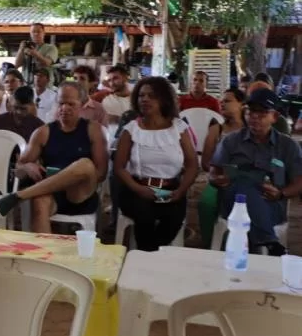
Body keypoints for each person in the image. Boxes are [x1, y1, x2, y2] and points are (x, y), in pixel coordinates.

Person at [0, 82, 108, 234]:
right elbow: (19, 169)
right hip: (53, 194)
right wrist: (27, 166)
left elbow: (101, 173)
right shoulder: (43, 132)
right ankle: (42, 254)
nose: (65, 108)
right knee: (39, 202)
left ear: (81, 105)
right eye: (61, 103)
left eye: (71, 104)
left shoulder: (93, 130)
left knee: (85, 165)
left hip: (80, 192)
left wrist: (68, 178)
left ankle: (20, 196)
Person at [210, 88, 302, 253]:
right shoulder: (231, 141)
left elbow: (299, 182)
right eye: (250, 112)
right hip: (233, 206)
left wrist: (280, 194)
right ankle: (268, 240)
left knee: (247, 183)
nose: (254, 117)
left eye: (261, 113)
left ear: (274, 117)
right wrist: (216, 179)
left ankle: (263, 241)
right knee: (243, 184)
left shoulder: (287, 146)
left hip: (271, 206)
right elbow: (213, 172)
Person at [113, 77, 198, 251]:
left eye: (151, 96)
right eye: (141, 96)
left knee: (174, 218)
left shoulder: (179, 128)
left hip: (170, 189)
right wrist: (139, 189)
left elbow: (192, 165)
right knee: (144, 215)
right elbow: (119, 167)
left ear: (164, 99)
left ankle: (146, 255)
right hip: (136, 189)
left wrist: (180, 190)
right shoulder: (131, 129)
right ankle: (150, 257)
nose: (145, 99)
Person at [198, 88, 246, 247]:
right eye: (221, 101)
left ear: (241, 104)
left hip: (246, 179)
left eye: (228, 100)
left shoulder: (251, 130)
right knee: (206, 202)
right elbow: (205, 162)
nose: (222, 104)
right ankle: (209, 244)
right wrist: (218, 172)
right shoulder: (216, 129)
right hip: (219, 179)